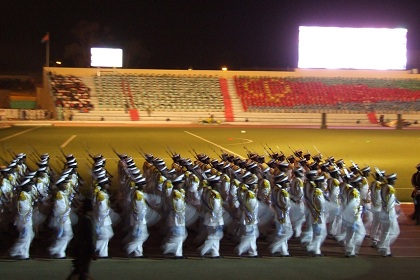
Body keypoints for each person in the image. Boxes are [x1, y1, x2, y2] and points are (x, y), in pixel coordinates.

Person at [69, 198, 96, 280]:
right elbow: (89, 237)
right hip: (84, 250)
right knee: (82, 272)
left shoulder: (82, 219)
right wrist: (93, 251)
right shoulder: (86, 220)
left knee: (80, 271)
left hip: (80, 250)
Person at [377, 173, 400, 257]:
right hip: (389, 214)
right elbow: (390, 204)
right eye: (394, 180)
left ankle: (386, 251)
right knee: (395, 232)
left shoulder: (384, 187)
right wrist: (393, 215)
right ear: (391, 180)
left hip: (382, 212)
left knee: (385, 232)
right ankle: (383, 246)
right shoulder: (390, 189)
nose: (395, 181)